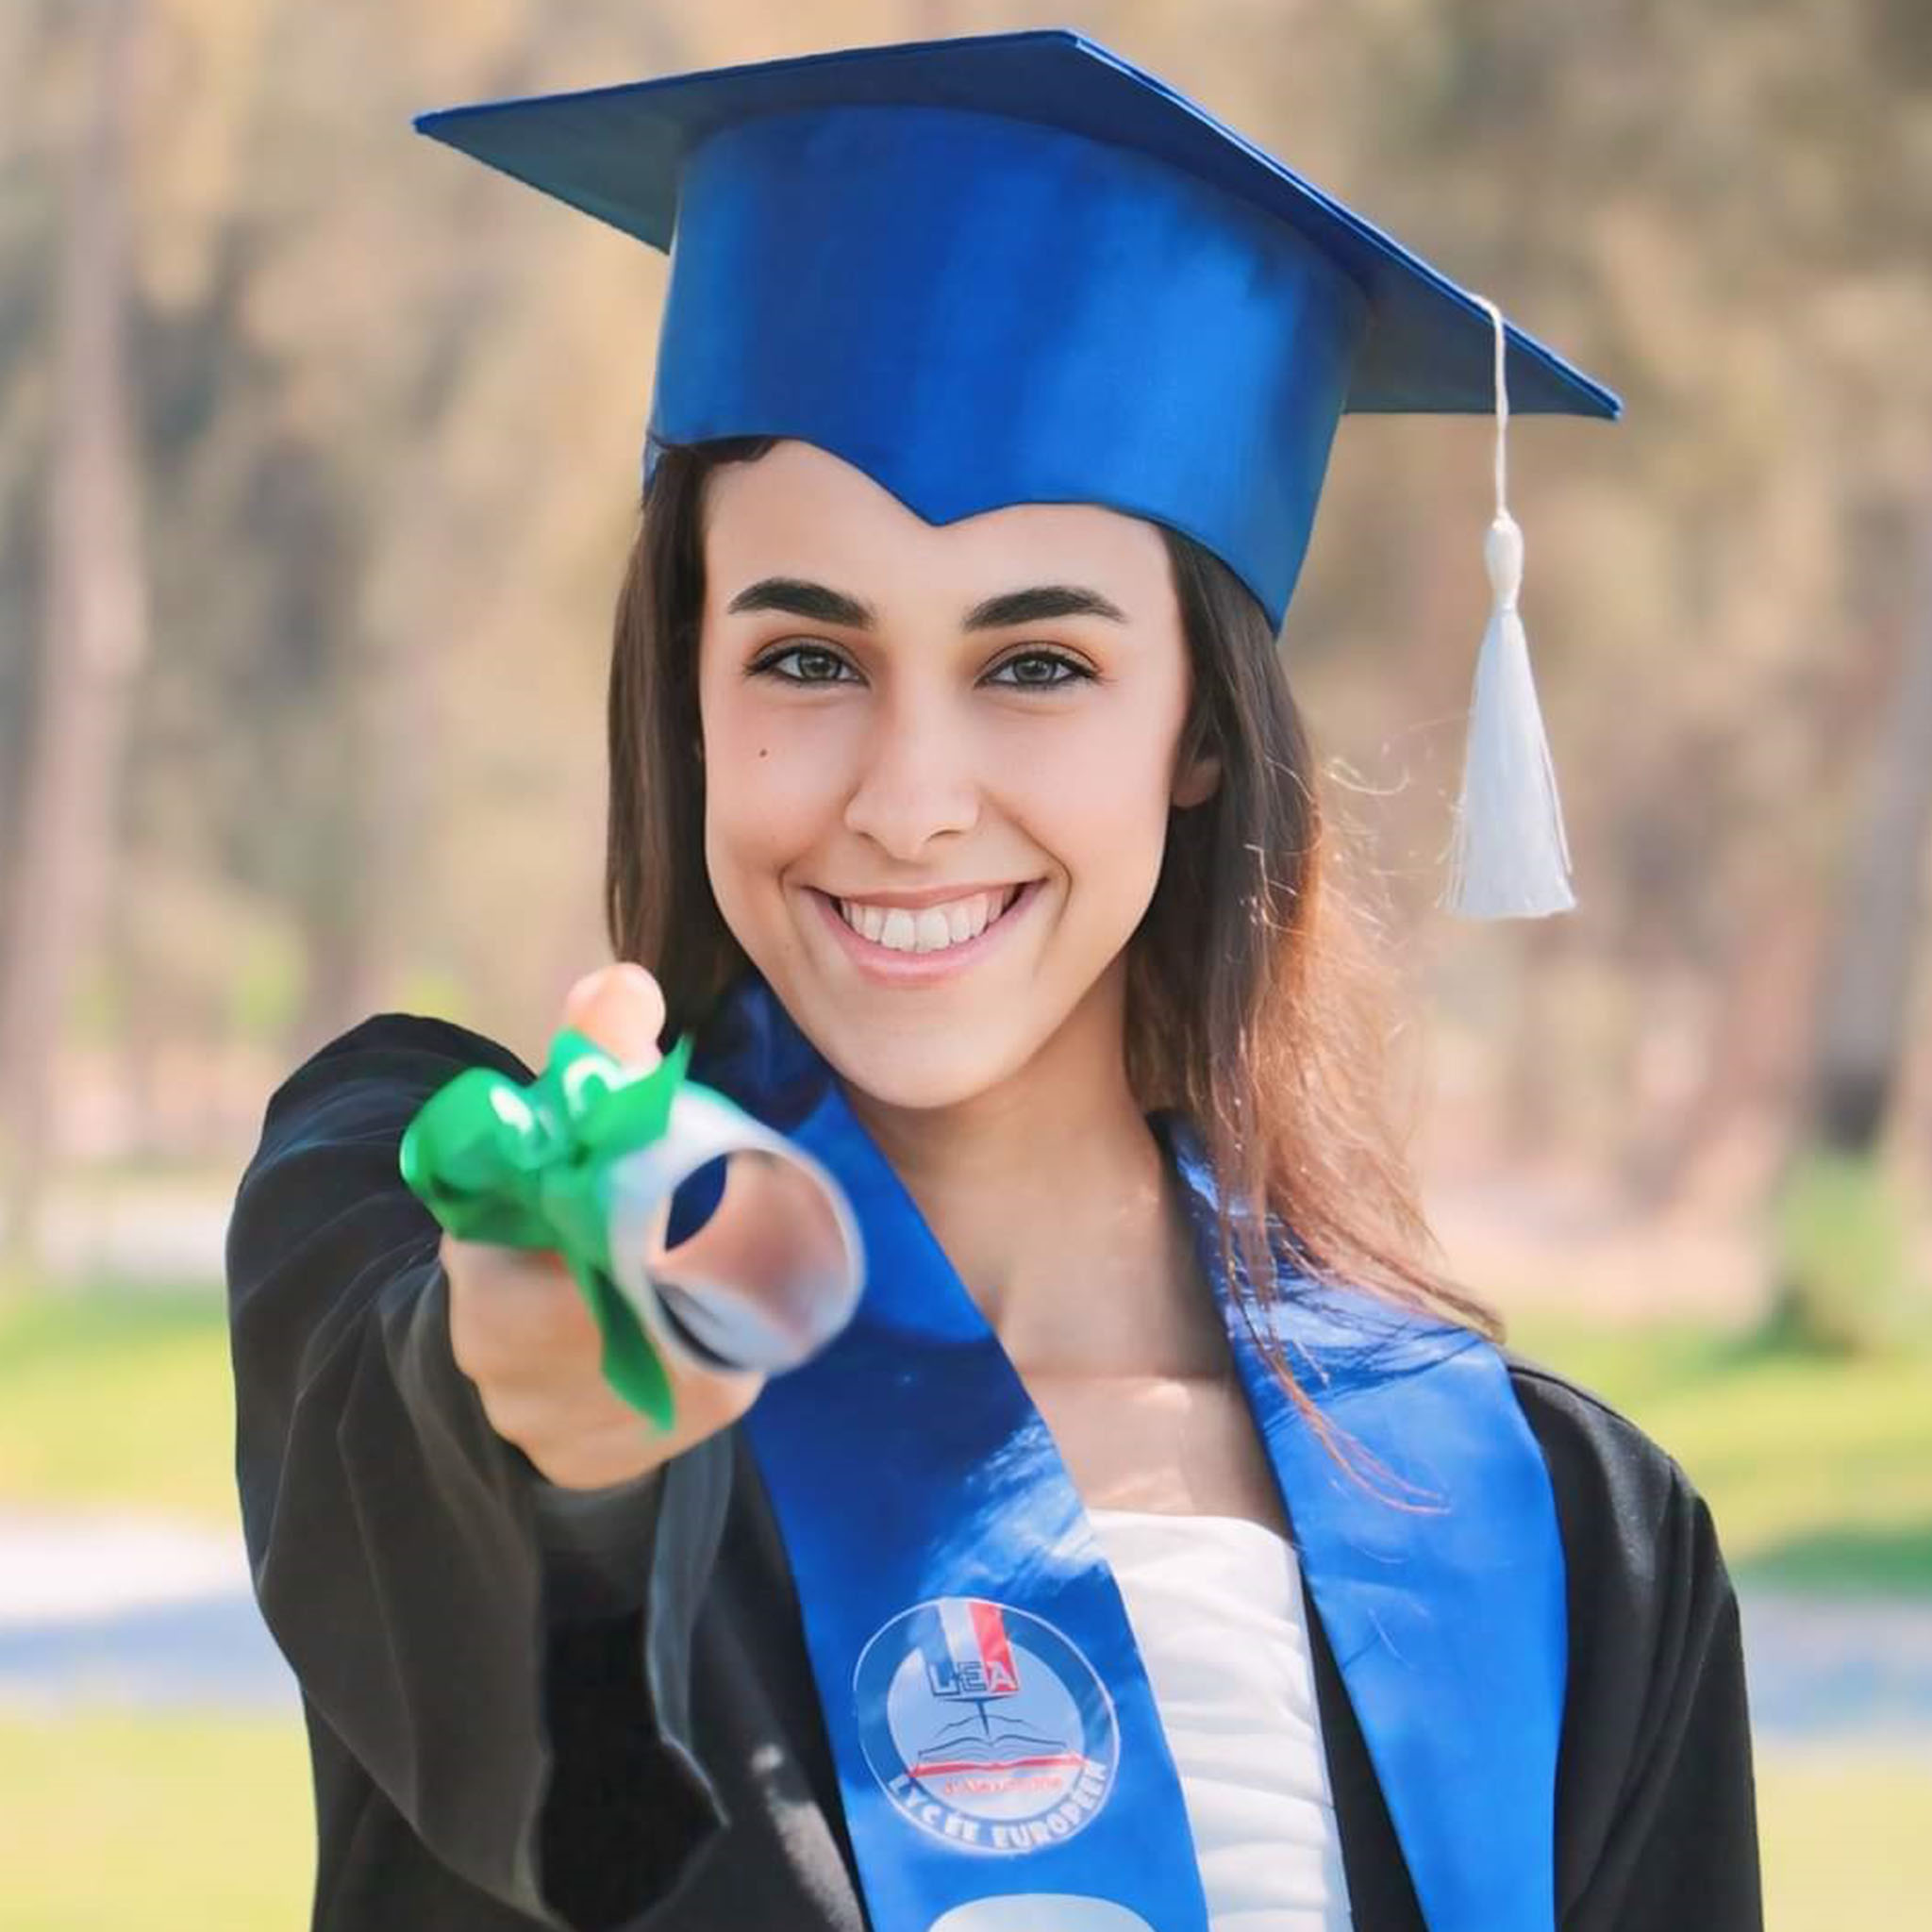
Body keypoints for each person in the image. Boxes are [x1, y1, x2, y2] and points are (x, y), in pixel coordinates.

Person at [225, 29, 1762, 1932]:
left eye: (1039, 666)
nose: (909, 801)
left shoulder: (1560, 1540)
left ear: (1201, 728)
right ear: (685, 690)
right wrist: (542, 1415)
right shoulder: (420, 1218)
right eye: (805, 658)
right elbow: (455, 1448)